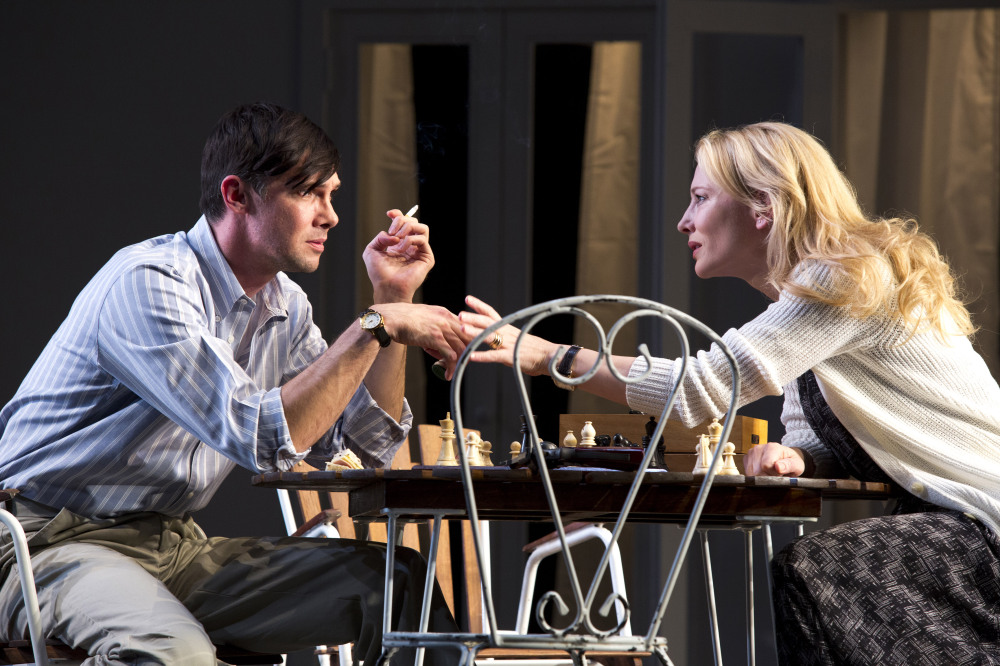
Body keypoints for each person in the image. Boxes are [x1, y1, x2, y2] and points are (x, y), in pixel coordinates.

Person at [458, 121, 1000, 664]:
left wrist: (546, 355)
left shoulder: (846, 278)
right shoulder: (816, 289)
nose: (684, 220)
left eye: (700, 198)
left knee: (814, 569)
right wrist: (801, 457)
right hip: (959, 523)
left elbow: (699, 389)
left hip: (985, 528)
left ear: (763, 205)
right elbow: (830, 432)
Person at [0, 102, 464, 665]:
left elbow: (365, 444)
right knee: (172, 653)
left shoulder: (285, 306)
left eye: (332, 194)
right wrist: (375, 326)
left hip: (170, 544)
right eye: (307, 192)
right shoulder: (149, 283)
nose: (330, 216)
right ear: (237, 195)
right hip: (45, 542)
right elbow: (262, 437)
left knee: (397, 586)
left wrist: (391, 300)